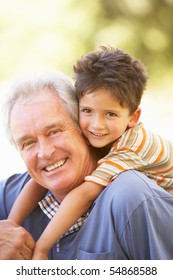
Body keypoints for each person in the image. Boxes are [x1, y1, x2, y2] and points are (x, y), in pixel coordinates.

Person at [7, 47, 173, 260]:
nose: (97, 125)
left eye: (111, 114)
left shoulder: (128, 152)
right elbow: (37, 181)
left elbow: (84, 195)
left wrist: (41, 249)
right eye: (87, 111)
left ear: (133, 117)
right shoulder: (101, 135)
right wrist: (10, 228)